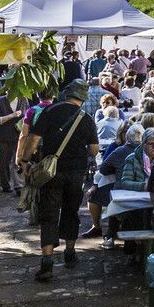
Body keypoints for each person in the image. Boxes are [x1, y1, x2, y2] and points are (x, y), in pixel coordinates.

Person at [21, 80, 98, 282]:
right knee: (71, 211)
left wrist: (25, 161)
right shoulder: (86, 118)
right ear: (82, 98)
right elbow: (94, 149)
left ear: (67, 94)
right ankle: (70, 253)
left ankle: (47, 260)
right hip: (76, 172)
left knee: (49, 213)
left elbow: (34, 139)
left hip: (51, 171)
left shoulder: (50, 112)